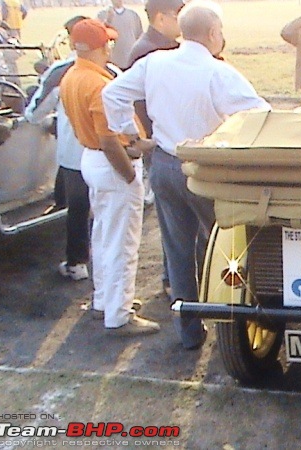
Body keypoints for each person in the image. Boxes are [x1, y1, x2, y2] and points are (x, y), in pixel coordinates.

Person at [102, 0, 271, 349]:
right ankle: (232, 327)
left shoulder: (155, 63)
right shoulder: (218, 72)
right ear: (212, 34)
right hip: (205, 167)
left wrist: (129, 135)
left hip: (164, 163)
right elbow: (260, 114)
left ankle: (189, 332)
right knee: (228, 248)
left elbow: (113, 92)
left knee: (178, 252)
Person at [60, 18, 159, 335]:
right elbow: (108, 139)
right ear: (101, 46)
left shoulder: (73, 75)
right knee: (121, 242)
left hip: (92, 159)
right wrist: (131, 175)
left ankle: (105, 300)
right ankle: (118, 313)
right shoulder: (97, 84)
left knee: (104, 235)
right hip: (110, 161)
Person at [25, 15, 94, 282]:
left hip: (75, 154)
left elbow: (33, 114)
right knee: (105, 210)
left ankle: (77, 262)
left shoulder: (59, 72)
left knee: (77, 208)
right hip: (108, 152)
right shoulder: (112, 71)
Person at [125, 0, 184, 300]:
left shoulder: (163, 46)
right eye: (179, 15)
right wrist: (146, 137)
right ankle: (173, 279)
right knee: (174, 221)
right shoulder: (148, 51)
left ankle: (176, 277)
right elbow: (135, 102)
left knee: (174, 220)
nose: (182, 21)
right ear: (161, 18)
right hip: (161, 144)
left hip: (165, 141)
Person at [97, 0, 143, 69]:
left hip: (131, 61)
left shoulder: (133, 15)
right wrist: (107, 21)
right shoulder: (102, 15)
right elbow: (97, 36)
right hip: (112, 63)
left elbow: (139, 37)